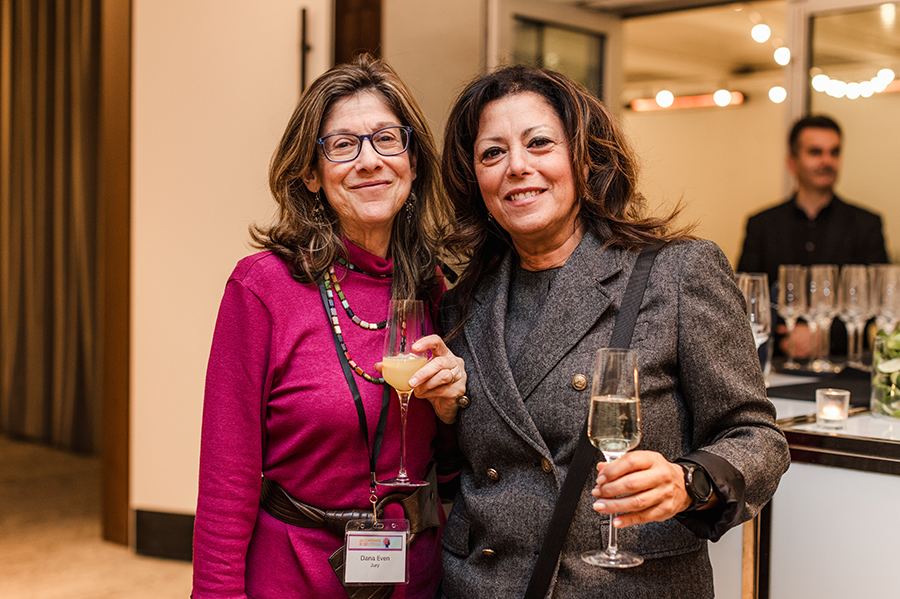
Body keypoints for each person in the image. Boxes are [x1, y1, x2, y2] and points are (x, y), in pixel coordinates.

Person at [435, 65, 790, 598]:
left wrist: (688, 482)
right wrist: (442, 414)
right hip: (479, 586)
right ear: (475, 179)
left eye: (539, 143)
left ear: (584, 157)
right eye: (493, 153)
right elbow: (461, 464)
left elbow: (758, 437)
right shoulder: (462, 303)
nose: (517, 166)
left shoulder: (677, 272)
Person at [192, 55, 466, 599]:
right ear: (311, 175)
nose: (369, 160)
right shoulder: (262, 288)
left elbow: (456, 468)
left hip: (414, 572)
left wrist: (452, 410)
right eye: (343, 145)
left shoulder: (433, 285)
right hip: (293, 573)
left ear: (412, 162)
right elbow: (227, 479)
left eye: (387, 139)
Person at [737, 115, 888, 357]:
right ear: (792, 162)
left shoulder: (866, 224)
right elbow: (746, 298)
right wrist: (785, 336)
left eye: (834, 152)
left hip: (844, 362)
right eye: (815, 152)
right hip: (776, 360)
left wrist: (822, 335)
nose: (827, 161)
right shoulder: (762, 225)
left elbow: (878, 299)